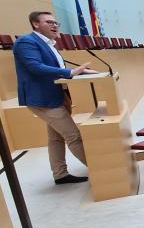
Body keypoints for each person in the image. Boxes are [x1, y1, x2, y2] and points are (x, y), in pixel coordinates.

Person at [13, 11, 98, 184]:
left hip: (57, 95)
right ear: (35, 24)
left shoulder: (50, 43)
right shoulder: (26, 42)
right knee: (73, 135)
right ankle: (101, 170)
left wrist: (81, 72)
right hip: (43, 99)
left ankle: (60, 174)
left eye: (56, 23)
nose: (55, 25)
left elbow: (55, 67)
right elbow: (35, 67)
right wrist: (70, 72)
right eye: (49, 22)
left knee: (56, 137)